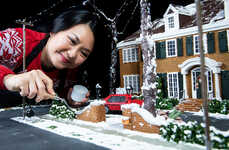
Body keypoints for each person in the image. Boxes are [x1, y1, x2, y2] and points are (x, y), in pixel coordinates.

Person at [0, 7, 97, 108]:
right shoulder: (16, 40)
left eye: (83, 53)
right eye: (72, 41)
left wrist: (69, 99)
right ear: (54, 31)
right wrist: (8, 79)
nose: (72, 54)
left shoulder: (72, 71)